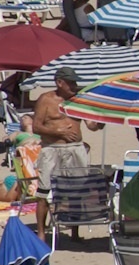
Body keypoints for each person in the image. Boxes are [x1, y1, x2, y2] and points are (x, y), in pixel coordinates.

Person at [32, 69, 99, 211]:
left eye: (75, 82)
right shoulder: (46, 99)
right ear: (59, 82)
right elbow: (36, 127)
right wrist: (59, 133)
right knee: (44, 192)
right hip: (52, 149)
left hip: (76, 148)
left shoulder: (79, 100)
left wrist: (102, 119)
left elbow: (91, 126)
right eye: (71, 83)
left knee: (78, 190)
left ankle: (75, 224)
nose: (75, 86)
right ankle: (41, 227)